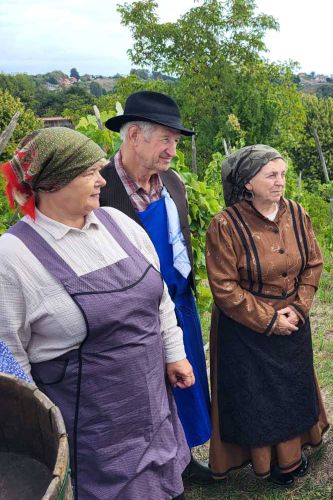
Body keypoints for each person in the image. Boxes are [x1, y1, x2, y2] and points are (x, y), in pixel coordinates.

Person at [0, 127, 193, 499]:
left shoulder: (117, 224)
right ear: (52, 182)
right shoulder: (13, 256)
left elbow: (159, 300)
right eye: (88, 172)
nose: (101, 180)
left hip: (152, 407)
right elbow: (10, 363)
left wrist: (174, 353)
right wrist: (41, 440)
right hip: (93, 434)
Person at [100, 91, 213, 484]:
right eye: (166, 139)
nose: (172, 151)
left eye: (176, 142)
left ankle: (184, 458)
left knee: (186, 381)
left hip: (179, 304)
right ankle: (154, 468)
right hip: (133, 314)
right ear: (134, 137)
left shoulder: (172, 183)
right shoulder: (100, 189)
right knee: (148, 392)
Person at [205, 145, 328, 487]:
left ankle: (290, 458)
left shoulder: (297, 213)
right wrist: (270, 320)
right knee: (257, 398)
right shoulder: (225, 225)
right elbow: (225, 287)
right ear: (247, 183)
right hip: (247, 329)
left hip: (294, 318)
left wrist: (299, 307)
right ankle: (265, 463)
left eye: (283, 174)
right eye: (271, 175)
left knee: (292, 389)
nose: (280, 182)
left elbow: (313, 264)